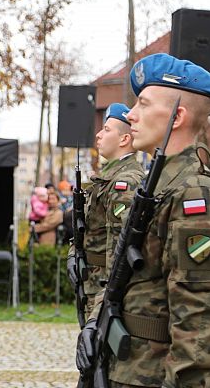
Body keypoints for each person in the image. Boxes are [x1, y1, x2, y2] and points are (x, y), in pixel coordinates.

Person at [76, 53, 210, 387]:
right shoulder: (159, 184)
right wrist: (96, 320)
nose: (131, 116)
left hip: (153, 373)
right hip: (129, 366)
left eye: (144, 105)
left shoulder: (192, 192)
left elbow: (198, 322)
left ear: (176, 117)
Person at [67, 103, 144, 319]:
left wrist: (107, 298)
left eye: (107, 130)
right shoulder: (108, 178)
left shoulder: (125, 182)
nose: (99, 135)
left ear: (124, 139)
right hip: (93, 281)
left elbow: (119, 247)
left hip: (104, 287)